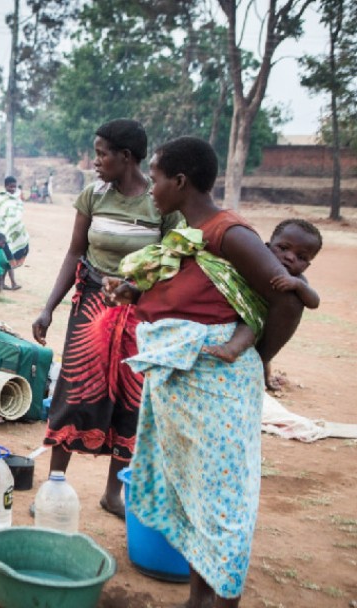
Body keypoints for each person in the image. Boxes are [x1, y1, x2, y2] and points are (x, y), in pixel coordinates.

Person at [107, 136, 303, 607]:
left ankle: (221, 600)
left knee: (221, 505)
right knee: (195, 498)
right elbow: (199, 294)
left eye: (155, 179)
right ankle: (198, 599)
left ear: (179, 181)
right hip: (184, 392)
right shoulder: (190, 234)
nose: (150, 188)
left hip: (217, 389)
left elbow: (288, 300)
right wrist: (139, 295)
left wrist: (254, 354)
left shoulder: (229, 233)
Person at [31, 119, 182, 520]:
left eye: (101, 154)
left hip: (140, 313)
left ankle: (113, 493)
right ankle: (54, 486)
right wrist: (48, 307)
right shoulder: (93, 195)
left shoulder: (161, 203)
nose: (95, 162)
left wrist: (142, 293)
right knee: (74, 393)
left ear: (126, 157)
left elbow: (172, 262)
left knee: (132, 400)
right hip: (93, 307)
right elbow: (73, 254)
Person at [201, 219, 321, 385]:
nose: (290, 257)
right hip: (235, 309)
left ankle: (231, 350)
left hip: (260, 318)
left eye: (301, 257)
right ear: (266, 247)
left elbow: (314, 302)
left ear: (307, 265)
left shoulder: (297, 279)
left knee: (249, 330)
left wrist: (299, 286)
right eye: (283, 248)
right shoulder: (255, 263)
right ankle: (264, 377)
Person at [0, 176, 28, 290]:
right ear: (5, 186)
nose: (13, 189)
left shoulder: (16, 198)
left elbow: (17, 214)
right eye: (10, 186)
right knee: (5, 262)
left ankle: (4, 283)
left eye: (14, 186)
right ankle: (6, 283)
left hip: (10, 236)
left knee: (7, 262)